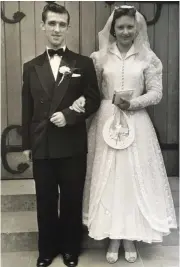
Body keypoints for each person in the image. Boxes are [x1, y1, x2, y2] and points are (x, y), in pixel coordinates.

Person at [71, 5, 177, 264]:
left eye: (130, 26)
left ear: (137, 28)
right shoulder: (99, 58)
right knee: (109, 178)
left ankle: (129, 237)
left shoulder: (148, 58)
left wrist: (134, 103)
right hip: (106, 121)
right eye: (121, 27)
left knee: (130, 177)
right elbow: (92, 91)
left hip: (135, 122)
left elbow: (156, 92)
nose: (126, 31)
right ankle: (113, 236)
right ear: (113, 29)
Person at [21, 3, 100, 267]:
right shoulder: (31, 67)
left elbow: (93, 99)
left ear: (68, 27)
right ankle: (46, 250)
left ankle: (70, 248)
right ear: (43, 26)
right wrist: (26, 144)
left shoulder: (83, 63)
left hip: (72, 144)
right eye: (51, 23)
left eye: (61, 24)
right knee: (45, 199)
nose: (56, 29)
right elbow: (27, 108)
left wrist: (70, 115)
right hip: (42, 144)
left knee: (71, 198)